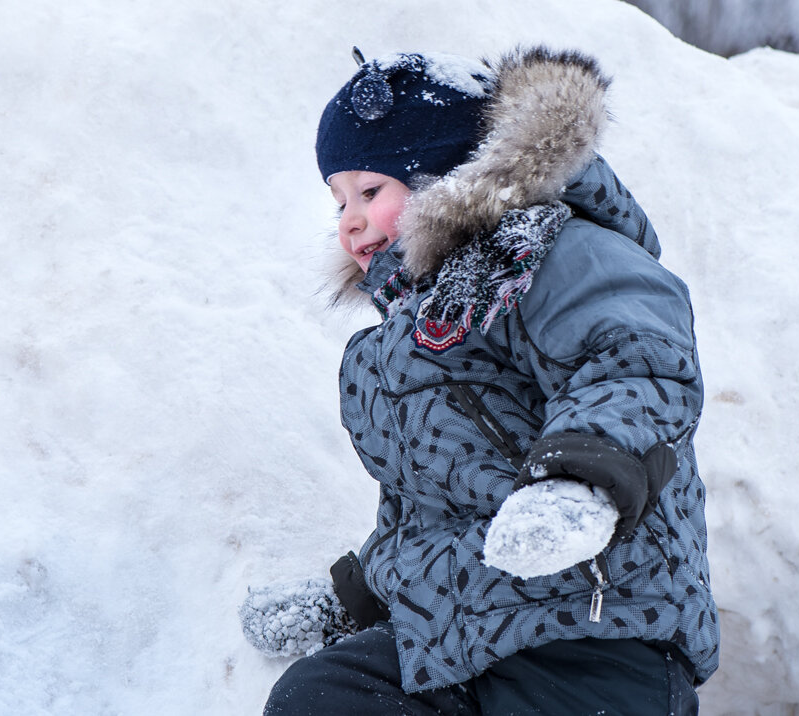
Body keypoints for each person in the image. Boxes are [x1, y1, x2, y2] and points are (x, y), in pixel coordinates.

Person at [239, 46, 719, 715]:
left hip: (593, 626)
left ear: (447, 179)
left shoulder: (556, 254)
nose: (348, 219)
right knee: (322, 696)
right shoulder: (409, 337)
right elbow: (423, 505)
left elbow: (635, 358)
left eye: (370, 192)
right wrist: (355, 599)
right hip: (464, 636)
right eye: (338, 199)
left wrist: (580, 482)